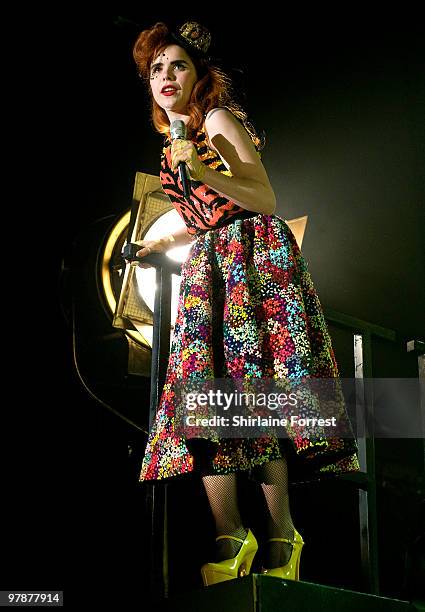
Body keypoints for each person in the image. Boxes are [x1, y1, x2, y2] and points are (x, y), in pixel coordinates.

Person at [130, 20, 360, 587]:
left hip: (252, 262)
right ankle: (232, 534)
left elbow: (262, 196)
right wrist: (160, 242)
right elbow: (200, 218)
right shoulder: (172, 147)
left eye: (177, 65)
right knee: (207, 407)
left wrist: (201, 166)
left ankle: (282, 534)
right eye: (157, 68)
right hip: (210, 266)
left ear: (198, 74)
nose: (166, 76)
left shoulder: (214, 122)